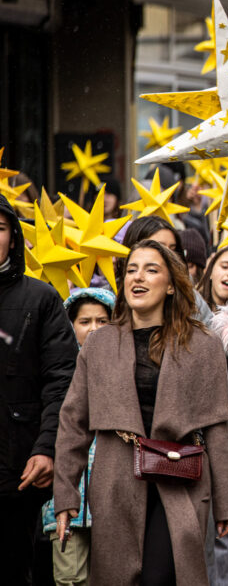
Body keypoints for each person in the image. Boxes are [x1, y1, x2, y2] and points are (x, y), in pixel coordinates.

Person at [53, 240, 228, 585]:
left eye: (151, 270)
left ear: (171, 285)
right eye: (132, 270)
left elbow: (217, 426)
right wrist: (65, 495)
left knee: (164, 575)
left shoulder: (203, 344)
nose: (138, 278)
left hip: (181, 478)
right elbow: (73, 423)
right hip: (115, 483)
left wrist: (227, 501)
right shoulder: (100, 343)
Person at [0, 194, 78, 586]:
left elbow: (62, 380)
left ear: (13, 237)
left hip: (19, 470)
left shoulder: (41, 299)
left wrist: (47, 446)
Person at [41, 288, 115, 586]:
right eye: (85, 321)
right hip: (65, 503)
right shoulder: (57, 371)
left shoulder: (125, 370)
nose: (94, 329)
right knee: (70, 578)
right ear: (70, 324)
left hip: (110, 504)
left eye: (102, 321)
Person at [119, 216, 215, 326]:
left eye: (173, 249)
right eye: (158, 248)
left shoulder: (192, 301)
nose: (169, 255)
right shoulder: (107, 299)